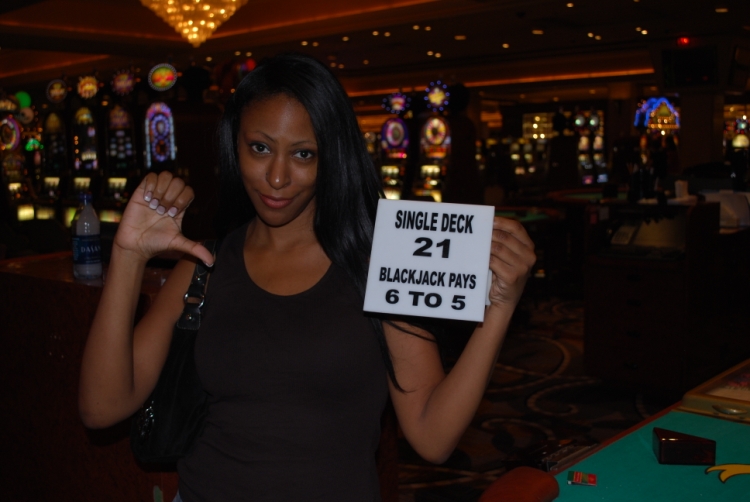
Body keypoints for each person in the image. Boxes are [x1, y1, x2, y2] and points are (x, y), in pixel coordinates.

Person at [78, 53, 536, 501]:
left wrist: (500, 308)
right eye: (260, 148)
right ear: (235, 144)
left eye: (303, 154)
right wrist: (128, 256)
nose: (277, 177)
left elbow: (432, 437)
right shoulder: (203, 267)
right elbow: (101, 408)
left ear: (331, 157)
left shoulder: (382, 262)